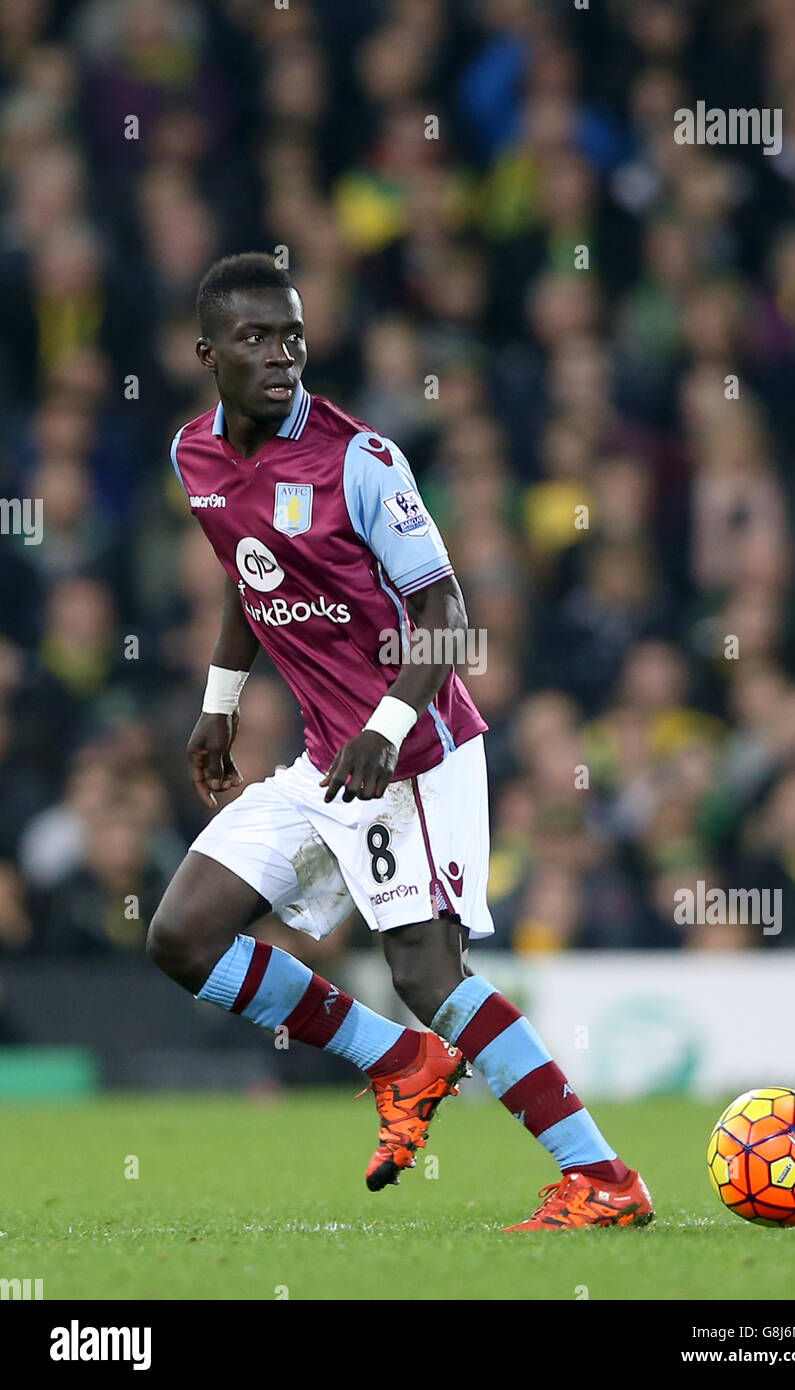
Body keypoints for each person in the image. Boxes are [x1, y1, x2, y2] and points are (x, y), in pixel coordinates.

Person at [146, 253, 652, 1230]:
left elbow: (447, 611)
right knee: (182, 935)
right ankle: (398, 1061)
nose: (281, 356)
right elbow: (250, 577)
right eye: (255, 339)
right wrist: (218, 704)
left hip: (413, 751)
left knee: (427, 973)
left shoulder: (357, 458)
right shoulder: (194, 456)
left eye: (292, 335)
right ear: (207, 354)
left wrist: (386, 726)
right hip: (327, 757)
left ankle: (599, 1176)